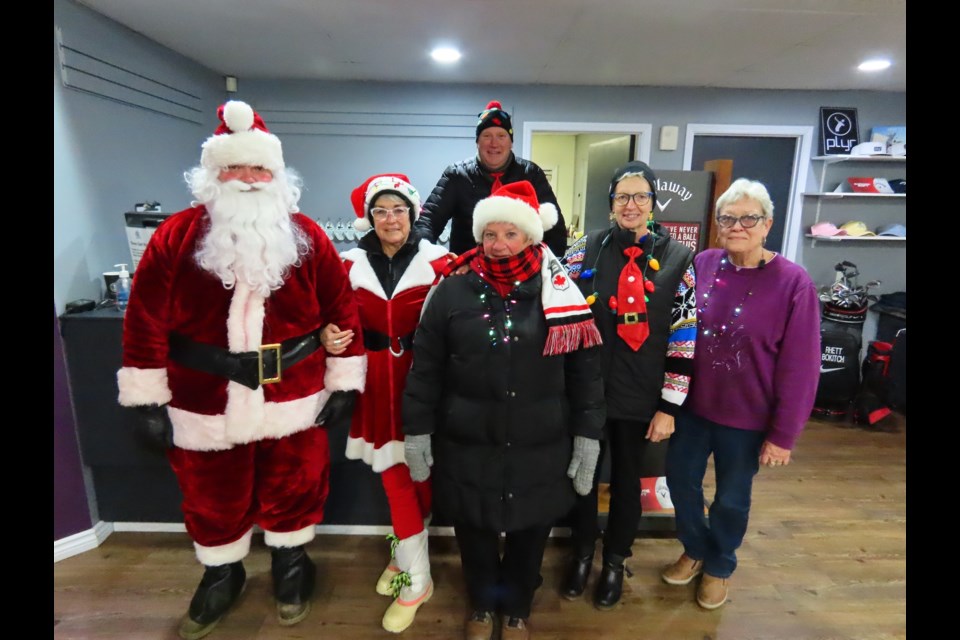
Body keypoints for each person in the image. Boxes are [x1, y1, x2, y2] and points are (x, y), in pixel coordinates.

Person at [115, 100, 366, 640]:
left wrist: (345, 377)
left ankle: (292, 568)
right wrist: (145, 397)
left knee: (296, 487)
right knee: (211, 495)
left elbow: (340, 307)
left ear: (277, 177)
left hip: (293, 395)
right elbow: (144, 319)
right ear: (213, 175)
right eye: (236, 169)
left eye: (259, 170)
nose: (248, 181)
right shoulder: (175, 236)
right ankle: (220, 574)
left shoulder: (307, 237)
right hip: (203, 398)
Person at [402, 181, 605, 640]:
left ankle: (515, 608)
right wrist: (416, 431)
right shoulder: (449, 293)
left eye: (510, 234)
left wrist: (588, 434)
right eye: (489, 234)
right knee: (473, 528)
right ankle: (481, 605)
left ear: (530, 238)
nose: (498, 244)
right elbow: (425, 370)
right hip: (468, 440)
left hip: (541, 442)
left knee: (531, 530)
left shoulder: (562, 294)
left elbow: (586, 374)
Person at [661, 178, 820, 610]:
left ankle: (720, 565)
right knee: (680, 483)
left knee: (731, 500)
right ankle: (695, 548)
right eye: (728, 218)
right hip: (692, 409)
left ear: (767, 224)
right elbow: (680, 331)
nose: (738, 226)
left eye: (749, 218)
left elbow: (802, 367)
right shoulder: (704, 263)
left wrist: (784, 434)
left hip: (748, 419)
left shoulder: (794, 283)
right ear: (717, 225)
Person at [559, 160, 697, 610]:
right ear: (612, 203)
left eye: (640, 197)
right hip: (587, 390)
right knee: (581, 478)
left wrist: (669, 407)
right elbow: (553, 296)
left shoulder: (679, 258)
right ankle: (581, 554)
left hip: (641, 394)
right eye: (623, 197)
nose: (631, 205)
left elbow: (685, 334)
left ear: (653, 203)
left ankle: (615, 560)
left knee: (625, 482)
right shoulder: (586, 248)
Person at [320, 173, 450, 633]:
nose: (390, 219)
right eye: (380, 211)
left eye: (398, 210)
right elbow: (324, 313)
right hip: (375, 383)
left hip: (425, 382)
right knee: (396, 478)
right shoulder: (347, 264)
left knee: (420, 474)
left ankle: (408, 558)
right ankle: (416, 576)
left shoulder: (441, 263)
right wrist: (326, 334)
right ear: (369, 218)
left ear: (412, 214)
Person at [414, 100, 568, 257]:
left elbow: (555, 232)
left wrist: (542, 268)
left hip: (521, 273)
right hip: (468, 272)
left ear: (511, 143)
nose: (494, 144)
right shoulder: (456, 175)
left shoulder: (531, 174)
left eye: (501, 136)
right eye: (487, 136)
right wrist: (434, 259)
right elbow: (428, 222)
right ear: (477, 142)